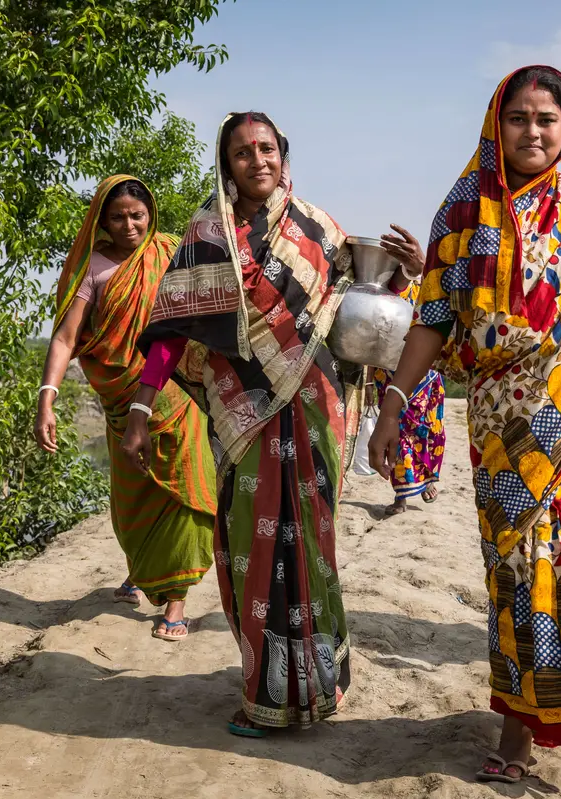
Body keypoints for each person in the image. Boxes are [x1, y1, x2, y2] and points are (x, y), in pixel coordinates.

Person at [369, 66, 561, 784]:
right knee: (516, 572)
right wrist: (392, 405)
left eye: (546, 120)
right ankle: (521, 727)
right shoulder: (464, 209)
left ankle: (537, 714)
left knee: (560, 565)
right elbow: (433, 316)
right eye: (518, 118)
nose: (532, 132)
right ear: (496, 123)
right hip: (501, 424)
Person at [124, 112, 412, 737]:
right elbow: (175, 333)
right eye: (242, 152)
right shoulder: (205, 234)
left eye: (266, 148)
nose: (257, 160)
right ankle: (266, 688)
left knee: (312, 540)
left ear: (284, 155)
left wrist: (405, 275)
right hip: (240, 412)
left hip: (314, 402)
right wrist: (142, 408)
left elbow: (364, 315)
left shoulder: (320, 230)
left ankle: (318, 683)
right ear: (225, 163)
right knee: (251, 544)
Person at [35, 175, 217, 642]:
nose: (130, 225)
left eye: (137, 215)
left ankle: (175, 602)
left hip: (173, 393)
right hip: (119, 398)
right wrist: (46, 399)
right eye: (118, 217)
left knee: (184, 488)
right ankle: (141, 569)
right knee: (133, 493)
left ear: (150, 213)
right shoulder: (92, 267)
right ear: (102, 220)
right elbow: (65, 337)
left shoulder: (171, 253)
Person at [373, 226, 447, 516]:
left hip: (429, 377)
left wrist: (422, 268)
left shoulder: (432, 284)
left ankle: (428, 479)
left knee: (430, 431)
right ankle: (401, 495)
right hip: (393, 375)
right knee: (399, 434)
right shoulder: (389, 292)